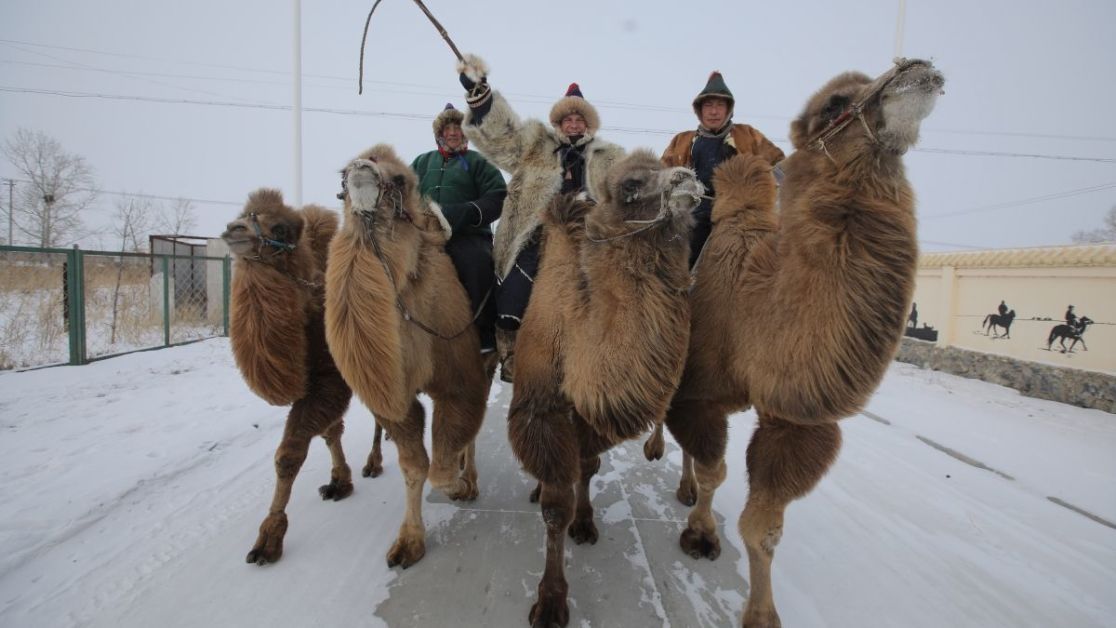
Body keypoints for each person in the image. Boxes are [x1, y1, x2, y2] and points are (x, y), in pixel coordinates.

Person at [455, 54, 625, 382]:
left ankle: (614, 359)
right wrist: (481, 96)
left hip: (592, 236)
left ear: (588, 125)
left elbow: (633, 183)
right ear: (558, 124)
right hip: (541, 232)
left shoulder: (611, 156)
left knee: (619, 297)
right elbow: (503, 137)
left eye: (579, 119)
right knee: (512, 296)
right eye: (567, 119)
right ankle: (512, 353)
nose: (573, 124)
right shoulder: (535, 145)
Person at [410, 103, 508, 354]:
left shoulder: (478, 162)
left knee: (477, 266)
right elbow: (404, 194)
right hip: (425, 236)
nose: (453, 133)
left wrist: (463, 213)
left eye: (458, 127)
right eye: (448, 128)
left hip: (469, 236)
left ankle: (485, 336)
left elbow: (497, 196)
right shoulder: (421, 162)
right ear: (439, 133)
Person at [661, 71, 785, 267]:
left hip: (743, 211)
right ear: (699, 110)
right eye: (708, 105)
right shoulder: (683, 140)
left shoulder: (748, 135)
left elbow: (778, 165)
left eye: (720, 105)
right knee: (679, 256)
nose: (713, 112)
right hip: (696, 211)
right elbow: (662, 174)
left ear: (728, 110)